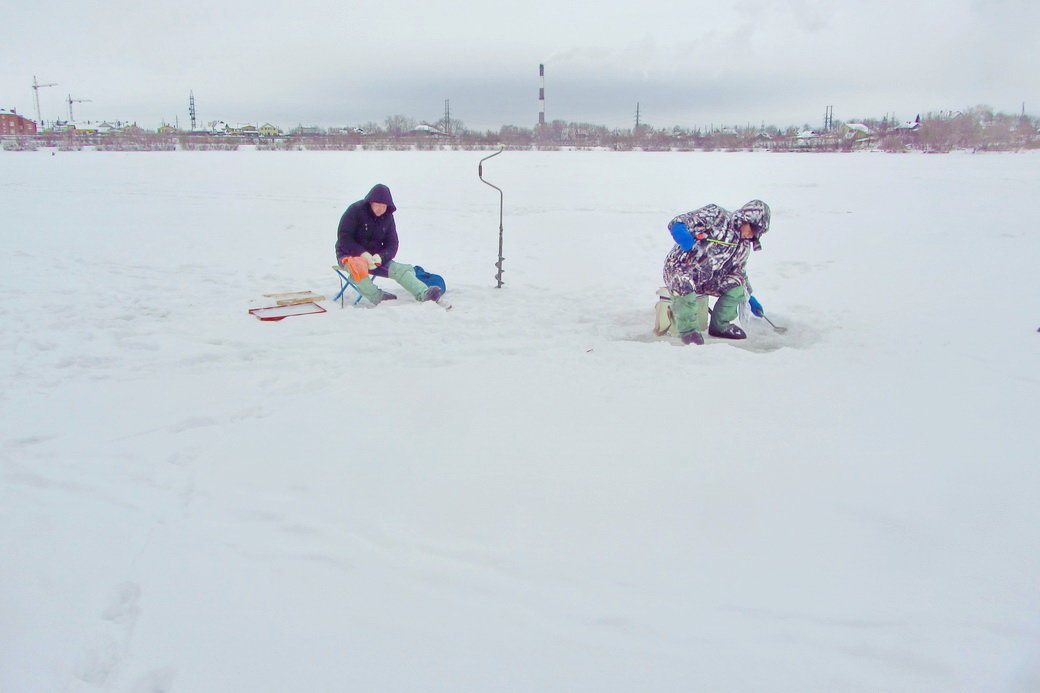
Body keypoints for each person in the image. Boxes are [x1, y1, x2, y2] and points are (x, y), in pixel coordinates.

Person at [656, 200, 771, 345]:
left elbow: (739, 271)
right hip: (680, 269)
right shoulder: (717, 215)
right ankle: (688, 331)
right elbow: (680, 222)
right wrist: (682, 234)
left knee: (737, 284)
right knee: (683, 281)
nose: (753, 235)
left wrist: (749, 297)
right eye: (754, 229)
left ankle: (720, 326)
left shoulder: (744, 245)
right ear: (745, 219)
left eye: (758, 233)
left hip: (709, 279)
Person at [336, 183, 442, 305]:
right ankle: (377, 296)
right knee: (358, 266)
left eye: (383, 206)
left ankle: (423, 293)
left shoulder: (387, 218)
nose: (380, 209)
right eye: (377, 205)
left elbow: (393, 245)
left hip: (374, 259)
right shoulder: (355, 211)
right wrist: (362, 254)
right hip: (349, 256)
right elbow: (344, 238)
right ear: (370, 202)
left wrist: (380, 257)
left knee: (400, 269)